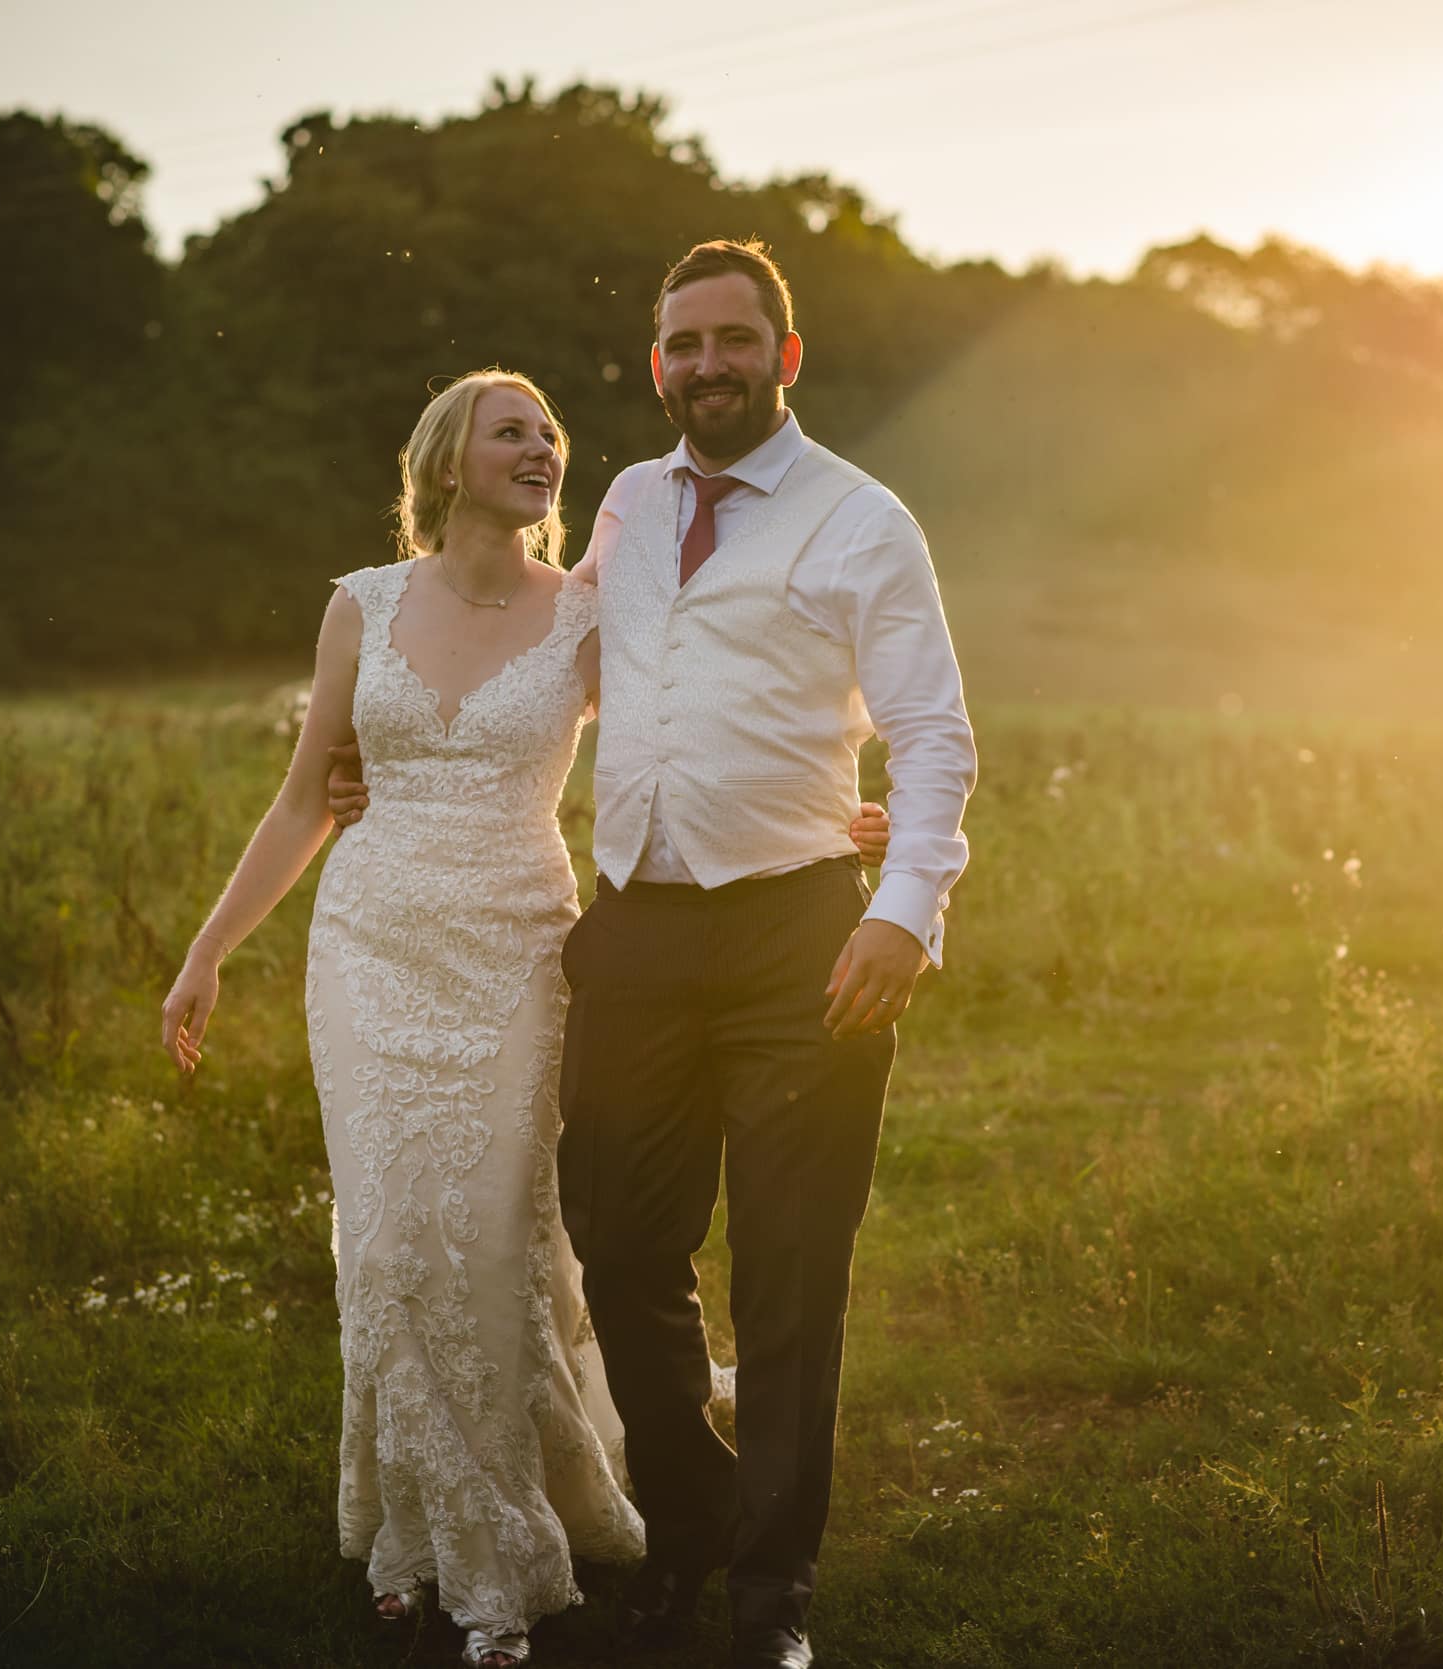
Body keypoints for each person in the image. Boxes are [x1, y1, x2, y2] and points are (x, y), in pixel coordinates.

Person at [157, 367, 892, 1668]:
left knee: (496, 1247)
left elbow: (713, 716)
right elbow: (302, 802)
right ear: (449, 462)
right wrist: (209, 953)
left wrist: (830, 816)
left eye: (551, 431)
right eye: (514, 430)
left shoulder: (590, 615)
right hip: (370, 946)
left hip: (517, 950)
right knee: (386, 1248)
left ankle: (504, 1552)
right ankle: (417, 1538)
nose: (545, 446)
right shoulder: (359, 608)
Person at [334, 239, 977, 1669]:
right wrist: (387, 756)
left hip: (802, 931)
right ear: (657, 365)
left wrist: (903, 905)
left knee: (795, 1267)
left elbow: (934, 731)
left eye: (733, 340)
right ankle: (686, 1527)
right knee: (623, 1247)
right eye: (681, 345)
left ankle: (771, 1592)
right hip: (629, 931)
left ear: (784, 357)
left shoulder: (862, 522)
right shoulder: (621, 504)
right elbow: (556, 663)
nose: (706, 366)